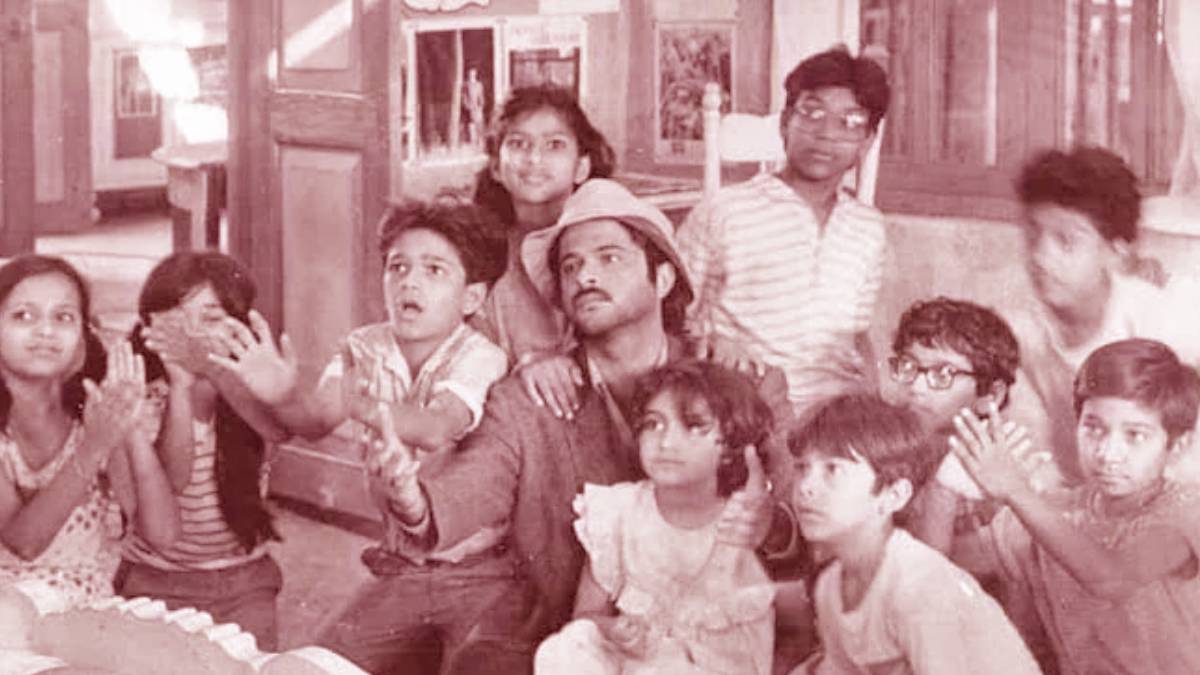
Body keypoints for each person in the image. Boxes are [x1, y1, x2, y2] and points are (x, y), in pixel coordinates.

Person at [346, 178, 795, 674]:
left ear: (664, 278)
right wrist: (410, 500)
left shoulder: (742, 380)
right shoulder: (528, 397)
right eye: (570, 266)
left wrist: (770, 524)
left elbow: (797, 512)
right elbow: (470, 489)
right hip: (569, 634)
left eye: (609, 257)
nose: (586, 276)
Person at [210, 201, 512, 673]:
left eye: (434, 270)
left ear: (472, 297)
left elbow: (438, 427)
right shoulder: (364, 346)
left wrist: (365, 407)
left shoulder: (481, 355)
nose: (409, 282)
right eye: (398, 267)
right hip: (404, 566)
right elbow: (314, 422)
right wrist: (281, 392)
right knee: (313, 666)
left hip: (483, 571)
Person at [951, 338, 1200, 674]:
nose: (1108, 453)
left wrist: (1014, 489)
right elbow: (939, 564)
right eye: (1093, 428)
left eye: (1135, 435)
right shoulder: (1055, 510)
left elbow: (1111, 579)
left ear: (1178, 445)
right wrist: (945, 487)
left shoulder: (1187, 510)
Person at [676, 45, 890, 420]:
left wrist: (877, 408)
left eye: (850, 122)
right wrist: (711, 340)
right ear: (785, 123)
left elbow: (857, 336)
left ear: (867, 141)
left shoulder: (867, 228)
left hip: (837, 417)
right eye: (812, 113)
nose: (826, 134)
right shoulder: (726, 211)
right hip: (747, 405)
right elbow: (672, 314)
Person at [534, 361, 776, 674]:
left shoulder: (746, 521)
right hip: (635, 662)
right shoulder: (619, 511)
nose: (666, 442)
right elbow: (585, 617)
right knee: (566, 647)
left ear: (732, 446)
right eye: (653, 424)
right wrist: (613, 630)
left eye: (693, 426)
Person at [789, 393, 1042, 675]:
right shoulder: (829, 587)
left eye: (833, 469)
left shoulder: (918, 589)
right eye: (801, 467)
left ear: (894, 495)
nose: (806, 486)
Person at [115, 251, 290, 650]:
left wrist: (217, 374)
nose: (192, 334)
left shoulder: (247, 393)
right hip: (155, 579)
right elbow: (172, 483)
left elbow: (279, 430)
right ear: (149, 325)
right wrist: (180, 388)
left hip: (246, 579)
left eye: (210, 318)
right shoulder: (141, 398)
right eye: (178, 319)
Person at [0, 255, 178, 607]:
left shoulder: (92, 417)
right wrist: (95, 445)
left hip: (84, 614)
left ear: (83, 337)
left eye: (63, 317)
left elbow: (163, 535)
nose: (46, 331)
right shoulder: (94, 435)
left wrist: (128, 427)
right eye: (24, 316)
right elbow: (25, 543)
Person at [1013, 146, 1200, 481]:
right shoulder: (1026, 336)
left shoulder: (1160, 321)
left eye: (1067, 241)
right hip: (1088, 498)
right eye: (1033, 236)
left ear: (1116, 252)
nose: (1041, 256)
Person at [472, 85, 617, 420]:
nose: (534, 159)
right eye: (518, 144)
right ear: (496, 167)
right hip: (516, 418)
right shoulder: (481, 258)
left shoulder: (614, 243)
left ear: (582, 167)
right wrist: (526, 364)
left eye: (554, 145)